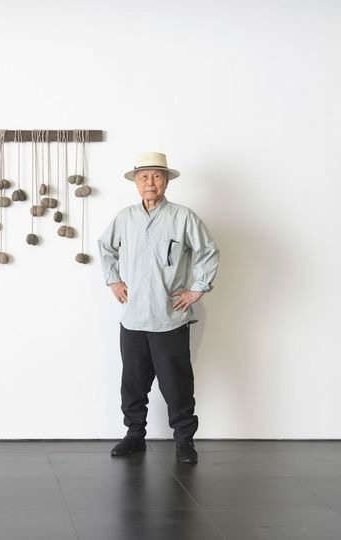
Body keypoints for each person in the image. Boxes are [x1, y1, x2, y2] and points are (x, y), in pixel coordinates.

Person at [97, 152, 220, 464]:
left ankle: (184, 441)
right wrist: (114, 280)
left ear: (166, 181)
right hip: (133, 319)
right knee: (132, 384)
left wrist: (197, 289)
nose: (150, 182)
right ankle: (134, 435)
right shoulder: (124, 218)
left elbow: (208, 251)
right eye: (144, 177)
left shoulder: (183, 217)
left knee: (177, 385)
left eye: (156, 176)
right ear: (136, 183)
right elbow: (105, 247)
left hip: (170, 318)